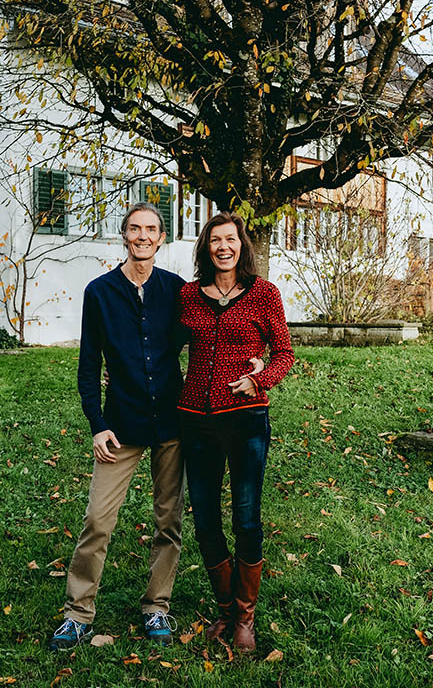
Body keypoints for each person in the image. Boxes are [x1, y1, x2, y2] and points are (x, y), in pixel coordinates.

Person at [48, 202, 186, 651]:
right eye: (134, 229)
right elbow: (89, 368)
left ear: (161, 238)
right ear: (123, 236)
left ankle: (156, 607)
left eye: (151, 229)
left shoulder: (176, 290)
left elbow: (211, 339)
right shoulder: (100, 292)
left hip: (171, 424)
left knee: (169, 522)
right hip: (121, 426)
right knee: (98, 521)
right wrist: (97, 424)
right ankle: (78, 613)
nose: (143, 236)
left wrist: (258, 358)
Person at [176, 211, 295, 654]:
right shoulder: (188, 295)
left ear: (242, 245)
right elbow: (163, 344)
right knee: (205, 516)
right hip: (195, 417)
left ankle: (245, 616)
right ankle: (225, 608)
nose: (223, 247)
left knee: (246, 515)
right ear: (206, 248)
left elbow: (283, 353)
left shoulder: (264, 294)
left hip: (245, 417)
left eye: (231, 240)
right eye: (214, 241)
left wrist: (260, 377)